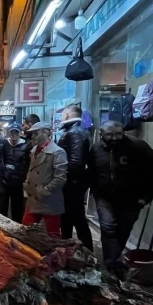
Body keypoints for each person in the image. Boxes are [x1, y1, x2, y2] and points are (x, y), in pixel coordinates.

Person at [87, 121, 153, 274]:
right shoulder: (96, 149)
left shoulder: (138, 147)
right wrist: (95, 190)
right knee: (108, 227)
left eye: (118, 134)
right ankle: (112, 263)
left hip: (132, 199)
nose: (114, 138)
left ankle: (113, 258)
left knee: (123, 229)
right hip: (104, 198)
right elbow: (91, 173)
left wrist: (146, 197)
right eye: (109, 134)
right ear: (102, 134)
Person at [56, 105, 92, 249]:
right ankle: (68, 250)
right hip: (72, 183)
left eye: (63, 113)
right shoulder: (73, 131)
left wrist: (60, 176)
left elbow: (76, 162)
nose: (61, 116)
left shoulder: (75, 132)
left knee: (77, 219)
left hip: (72, 185)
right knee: (68, 219)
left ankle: (87, 253)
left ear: (68, 114)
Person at [22, 122, 67, 237]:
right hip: (33, 198)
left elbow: (60, 178)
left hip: (49, 200)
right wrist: (27, 185)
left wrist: (45, 191)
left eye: (36, 133)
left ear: (46, 132)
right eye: (32, 134)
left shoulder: (58, 152)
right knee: (26, 230)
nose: (33, 136)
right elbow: (31, 170)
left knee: (52, 234)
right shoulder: (34, 150)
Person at [4, 123, 29, 223]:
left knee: (17, 207)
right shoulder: (4, 145)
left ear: (20, 133)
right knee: (3, 206)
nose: (13, 134)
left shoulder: (26, 146)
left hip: (18, 182)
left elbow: (27, 164)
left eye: (16, 132)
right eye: (12, 132)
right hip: (5, 181)